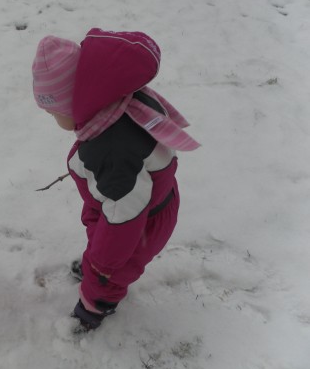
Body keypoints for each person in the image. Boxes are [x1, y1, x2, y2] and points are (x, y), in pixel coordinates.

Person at [31, 28, 200, 332]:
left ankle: (94, 308)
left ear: (76, 101)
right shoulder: (113, 108)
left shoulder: (114, 151)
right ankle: (95, 265)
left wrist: (104, 263)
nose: (54, 120)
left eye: (54, 113)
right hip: (127, 208)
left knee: (110, 270)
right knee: (102, 246)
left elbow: (124, 219)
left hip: (138, 226)